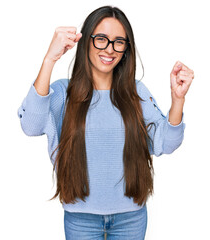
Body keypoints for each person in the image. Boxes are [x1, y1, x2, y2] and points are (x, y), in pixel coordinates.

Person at [17, 5, 194, 240]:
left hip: (131, 219)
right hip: (80, 220)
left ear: (125, 49)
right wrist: (50, 59)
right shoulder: (63, 91)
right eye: (101, 39)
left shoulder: (136, 92)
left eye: (118, 42)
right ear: (86, 41)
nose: (110, 49)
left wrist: (178, 100)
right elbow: (30, 125)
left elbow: (167, 143)